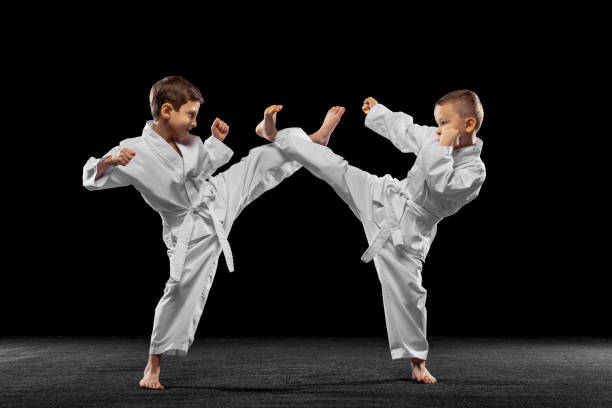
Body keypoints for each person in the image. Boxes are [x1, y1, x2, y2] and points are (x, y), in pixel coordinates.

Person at [82, 76, 342, 390]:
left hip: (215, 195)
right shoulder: (132, 150)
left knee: (259, 160)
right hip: (189, 230)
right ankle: (152, 367)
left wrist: (213, 143)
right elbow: (89, 178)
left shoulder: (189, 141)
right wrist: (109, 160)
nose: (195, 122)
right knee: (177, 292)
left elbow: (200, 173)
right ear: (167, 110)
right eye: (190, 115)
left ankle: (314, 140)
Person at [261, 90, 486, 384]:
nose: (438, 129)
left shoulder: (474, 171)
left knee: (408, 293)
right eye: (438, 123)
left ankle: (418, 361)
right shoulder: (435, 137)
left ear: (468, 125)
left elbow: (441, 183)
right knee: (333, 167)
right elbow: (405, 131)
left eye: (444, 123)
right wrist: (380, 112)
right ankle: (280, 136)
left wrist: (443, 145)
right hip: (385, 195)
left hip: (406, 233)